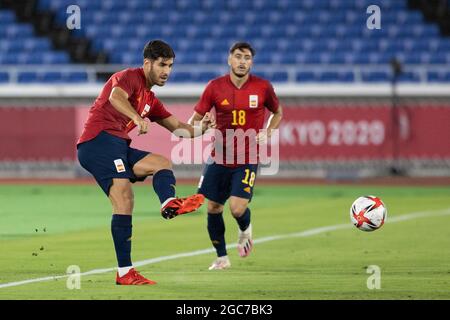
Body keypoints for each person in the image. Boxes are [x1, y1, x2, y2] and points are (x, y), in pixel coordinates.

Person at [77, 40, 215, 285]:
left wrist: (201, 129)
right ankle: (125, 272)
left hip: (117, 145)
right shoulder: (129, 77)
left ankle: (168, 203)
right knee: (124, 196)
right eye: (162, 65)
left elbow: (180, 129)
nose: (166, 71)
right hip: (98, 140)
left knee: (161, 162)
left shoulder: (151, 99)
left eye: (170, 66)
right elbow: (115, 97)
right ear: (147, 63)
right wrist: (135, 117)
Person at [188, 42, 283, 270]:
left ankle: (245, 230)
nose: (242, 61)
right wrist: (205, 123)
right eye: (238, 56)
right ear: (229, 60)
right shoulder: (214, 87)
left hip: (247, 158)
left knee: (237, 209)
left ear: (252, 62)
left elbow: (277, 112)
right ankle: (221, 258)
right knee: (213, 208)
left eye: (247, 57)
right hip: (219, 157)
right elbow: (193, 121)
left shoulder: (263, 87)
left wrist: (268, 131)